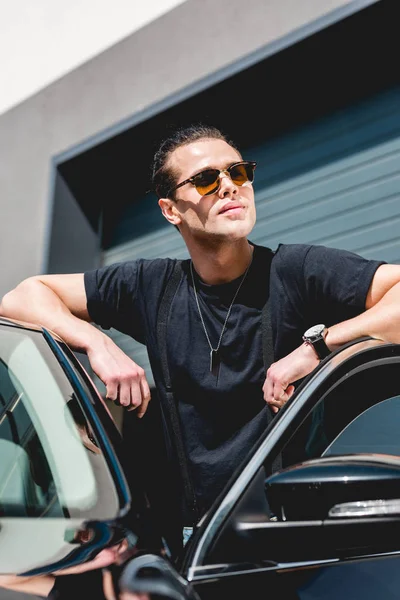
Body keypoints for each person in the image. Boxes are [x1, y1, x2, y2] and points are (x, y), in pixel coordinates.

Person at [1, 124, 400, 540]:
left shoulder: (298, 272)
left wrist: (319, 346)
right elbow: (23, 297)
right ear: (171, 210)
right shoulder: (150, 286)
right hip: (194, 545)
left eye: (238, 173)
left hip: (288, 539)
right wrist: (97, 343)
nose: (229, 187)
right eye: (207, 179)